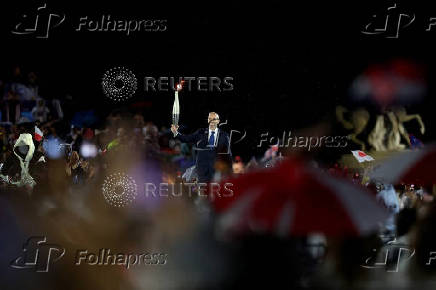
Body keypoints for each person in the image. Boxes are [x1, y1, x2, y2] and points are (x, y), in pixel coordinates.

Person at [170, 112, 231, 183]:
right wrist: (176, 132)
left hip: (217, 169)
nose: (212, 121)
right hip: (202, 169)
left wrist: (230, 168)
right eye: (210, 118)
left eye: (214, 119)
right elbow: (186, 138)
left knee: (215, 190)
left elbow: (228, 154)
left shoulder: (224, 135)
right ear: (208, 120)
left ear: (218, 121)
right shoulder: (200, 132)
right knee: (202, 191)